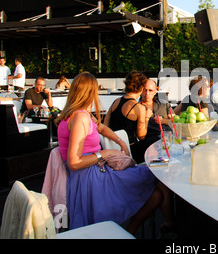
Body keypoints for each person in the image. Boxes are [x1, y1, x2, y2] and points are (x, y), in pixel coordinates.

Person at [56, 71, 173, 234]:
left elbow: (102, 127)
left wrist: (120, 142)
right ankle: (144, 228)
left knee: (157, 187)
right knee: (156, 176)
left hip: (93, 173)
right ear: (90, 93)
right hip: (92, 179)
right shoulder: (80, 118)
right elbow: (74, 162)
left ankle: (134, 230)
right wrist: (103, 154)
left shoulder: (76, 114)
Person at [103, 72, 156, 164]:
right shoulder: (138, 108)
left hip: (111, 147)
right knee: (157, 140)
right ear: (141, 88)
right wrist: (147, 117)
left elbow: (105, 125)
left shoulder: (116, 102)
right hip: (129, 150)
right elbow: (142, 136)